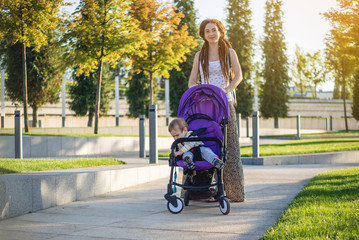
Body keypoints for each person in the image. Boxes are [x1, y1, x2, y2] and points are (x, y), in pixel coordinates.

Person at [187, 19, 245, 202]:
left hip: (225, 103)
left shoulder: (229, 52)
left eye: (214, 30)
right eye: (207, 31)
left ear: (220, 31)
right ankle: (205, 190)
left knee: (229, 147)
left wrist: (227, 90)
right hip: (206, 106)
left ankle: (233, 192)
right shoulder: (199, 55)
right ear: (203, 35)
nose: (211, 33)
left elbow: (239, 76)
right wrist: (197, 94)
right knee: (206, 145)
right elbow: (192, 81)